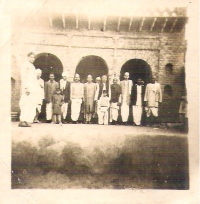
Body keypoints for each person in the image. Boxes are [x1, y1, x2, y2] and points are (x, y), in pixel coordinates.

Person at [20, 52, 38, 122]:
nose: (32, 58)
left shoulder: (32, 66)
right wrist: (26, 87)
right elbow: (24, 76)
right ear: (28, 57)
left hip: (33, 87)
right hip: (28, 87)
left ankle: (28, 120)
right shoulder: (25, 65)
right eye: (31, 57)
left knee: (31, 104)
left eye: (33, 57)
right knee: (25, 103)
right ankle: (23, 120)